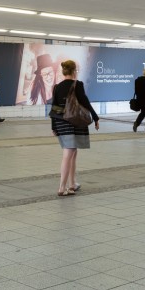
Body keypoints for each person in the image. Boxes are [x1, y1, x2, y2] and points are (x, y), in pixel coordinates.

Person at [50, 59, 99, 196]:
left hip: (60, 121)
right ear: (73, 71)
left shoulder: (57, 87)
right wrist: (95, 117)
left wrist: (54, 126)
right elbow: (85, 102)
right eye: (76, 70)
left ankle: (72, 184)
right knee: (68, 153)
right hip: (73, 121)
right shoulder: (78, 85)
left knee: (73, 152)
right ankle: (61, 187)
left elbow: (54, 107)